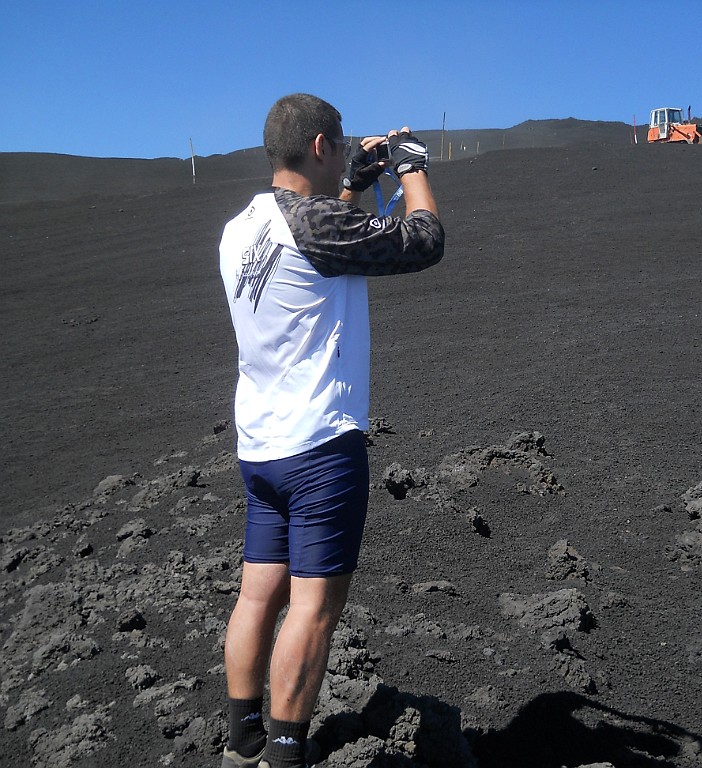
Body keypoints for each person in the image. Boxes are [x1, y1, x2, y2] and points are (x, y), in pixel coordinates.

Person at [217, 93, 444, 768]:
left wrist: (356, 182)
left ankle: (243, 741)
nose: (348, 154)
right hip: (319, 448)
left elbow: (331, 233)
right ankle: (286, 755)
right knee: (313, 610)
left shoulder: (241, 226)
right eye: (342, 146)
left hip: (260, 447)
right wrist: (410, 167)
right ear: (320, 147)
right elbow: (423, 239)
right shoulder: (317, 226)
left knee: (258, 594)